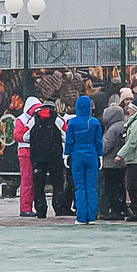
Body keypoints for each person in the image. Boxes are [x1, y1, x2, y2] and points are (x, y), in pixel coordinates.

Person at [63, 93, 103, 223]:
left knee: (79, 186)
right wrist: (100, 155)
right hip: (91, 154)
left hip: (77, 155)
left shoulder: (73, 122)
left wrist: (66, 154)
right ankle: (91, 216)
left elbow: (69, 140)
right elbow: (99, 141)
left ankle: (81, 216)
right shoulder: (94, 122)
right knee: (91, 186)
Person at [28, 99, 70, 218]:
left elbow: (25, 136)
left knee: (38, 183)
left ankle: (41, 210)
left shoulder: (33, 119)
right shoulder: (57, 119)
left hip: (37, 155)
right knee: (58, 182)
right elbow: (66, 135)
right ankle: (58, 207)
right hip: (54, 155)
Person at [14, 97, 39, 215]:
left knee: (35, 180)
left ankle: (31, 206)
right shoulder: (21, 120)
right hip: (25, 152)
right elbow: (17, 136)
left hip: (35, 151)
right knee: (27, 180)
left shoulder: (37, 119)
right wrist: (27, 134)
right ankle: (25, 208)